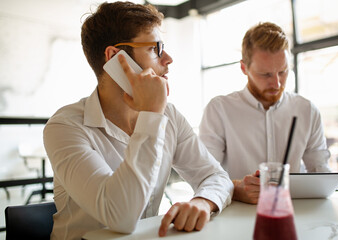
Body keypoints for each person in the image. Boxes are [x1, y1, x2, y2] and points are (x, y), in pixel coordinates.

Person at [43, 2, 233, 239]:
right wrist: (150, 116)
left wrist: (203, 202)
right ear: (115, 58)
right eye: (156, 49)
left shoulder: (169, 115)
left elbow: (216, 176)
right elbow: (120, 216)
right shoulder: (65, 127)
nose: (169, 59)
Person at [199, 22, 331, 205]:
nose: (276, 83)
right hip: (236, 218)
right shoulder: (219, 109)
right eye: (266, 74)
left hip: (292, 215)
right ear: (244, 68)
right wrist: (237, 189)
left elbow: (320, 174)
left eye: (283, 72)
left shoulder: (307, 110)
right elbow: (205, 175)